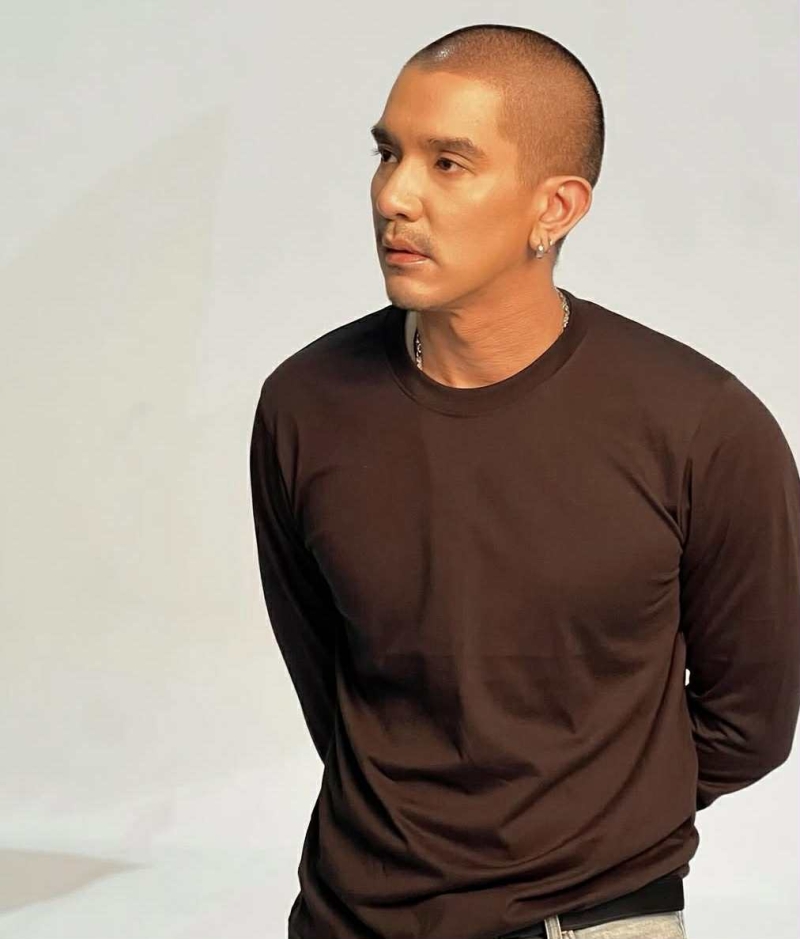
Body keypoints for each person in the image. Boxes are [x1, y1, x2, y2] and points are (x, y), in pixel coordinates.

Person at [249, 23, 800, 939]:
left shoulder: (702, 424)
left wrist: (592, 819)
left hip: (591, 920)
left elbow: (751, 721)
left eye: (448, 163)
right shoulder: (305, 404)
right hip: (348, 916)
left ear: (556, 207)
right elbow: (330, 682)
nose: (395, 196)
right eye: (388, 153)